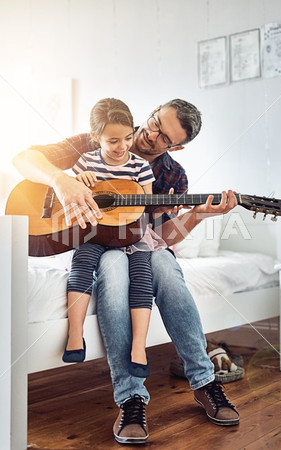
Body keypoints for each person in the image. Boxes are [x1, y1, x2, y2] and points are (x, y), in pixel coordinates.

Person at [14, 99, 239, 444]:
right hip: (95, 244)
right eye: (153, 123)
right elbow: (23, 159)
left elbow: (160, 238)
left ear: (176, 146)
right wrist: (62, 180)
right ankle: (131, 397)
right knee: (113, 268)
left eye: (164, 137)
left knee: (166, 265)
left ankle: (205, 382)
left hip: (141, 246)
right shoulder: (100, 138)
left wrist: (197, 216)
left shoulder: (172, 176)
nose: (149, 136)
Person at [62, 98, 167, 379]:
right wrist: (78, 179)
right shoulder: (86, 161)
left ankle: (139, 349)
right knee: (81, 263)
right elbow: (71, 196)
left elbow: (142, 206)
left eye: (128, 138)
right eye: (113, 141)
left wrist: (159, 203)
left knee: (142, 277)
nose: (122, 146)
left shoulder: (139, 167)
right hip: (95, 233)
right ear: (96, 138)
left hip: (132, 236)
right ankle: (75, 336)